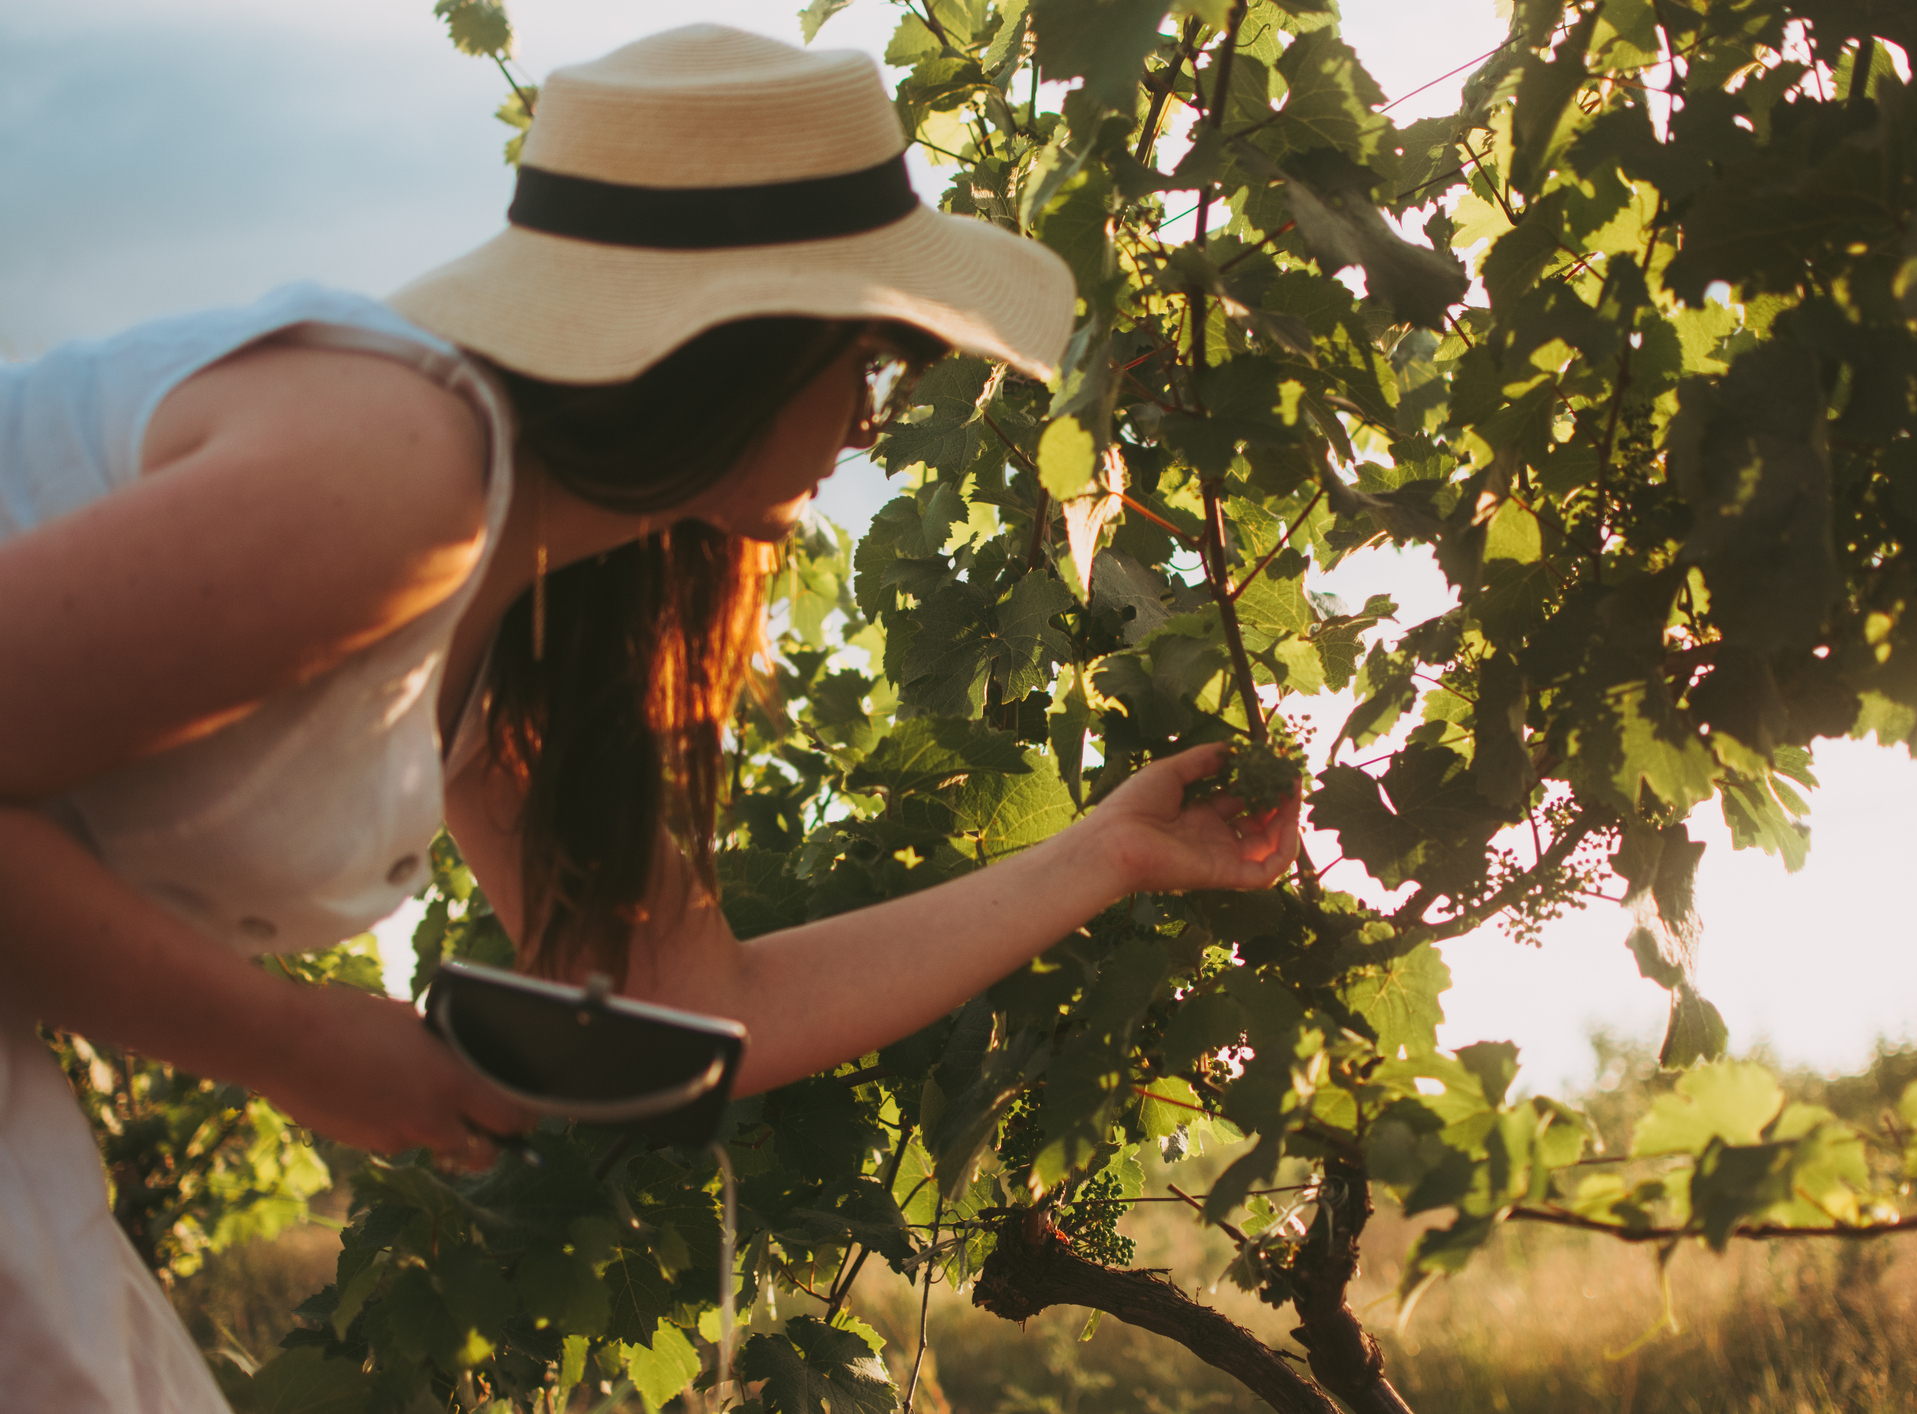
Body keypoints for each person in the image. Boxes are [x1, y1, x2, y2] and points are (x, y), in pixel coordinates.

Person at [0, 22, 1299, 1412]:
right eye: (857, 357)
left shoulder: (534, 600)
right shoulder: (401, 471)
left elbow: (704, 1005)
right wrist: (293, 1045)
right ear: (740, 350)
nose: (867, 419)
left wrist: (1098, 859)